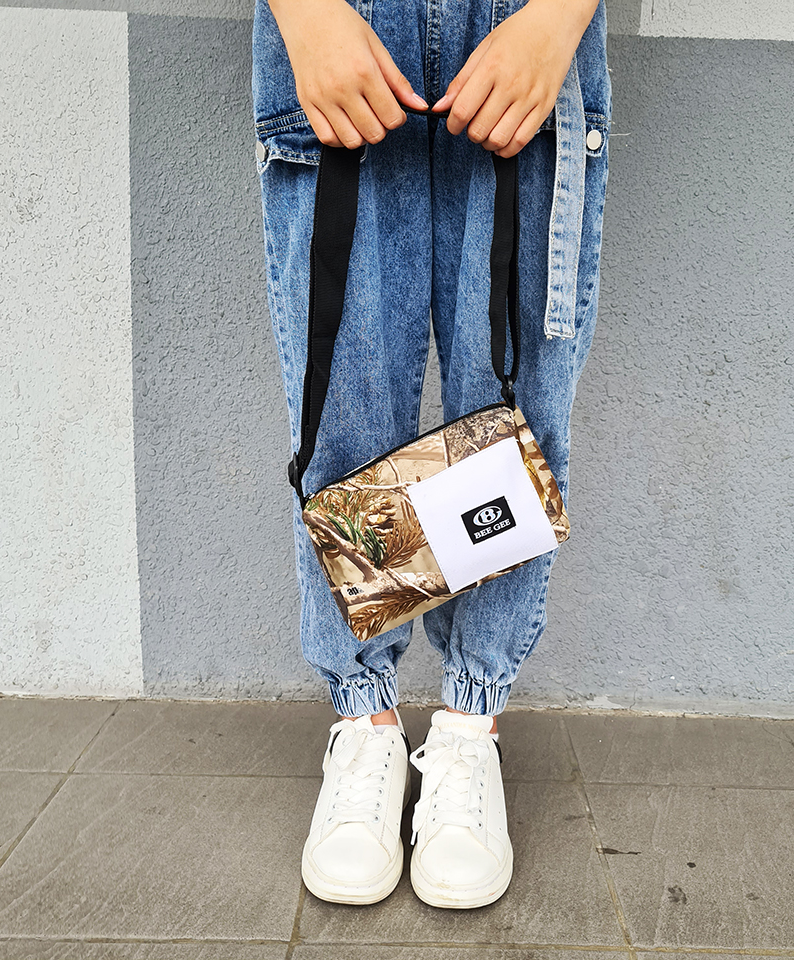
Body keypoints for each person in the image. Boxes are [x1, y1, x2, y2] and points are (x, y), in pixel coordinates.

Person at [252, 0, 610, 909]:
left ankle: (467, 732)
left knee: (513, 418)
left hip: (524, 23)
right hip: (342, 21)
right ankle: (365, 730)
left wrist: (558, 17)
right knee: (341, 404)